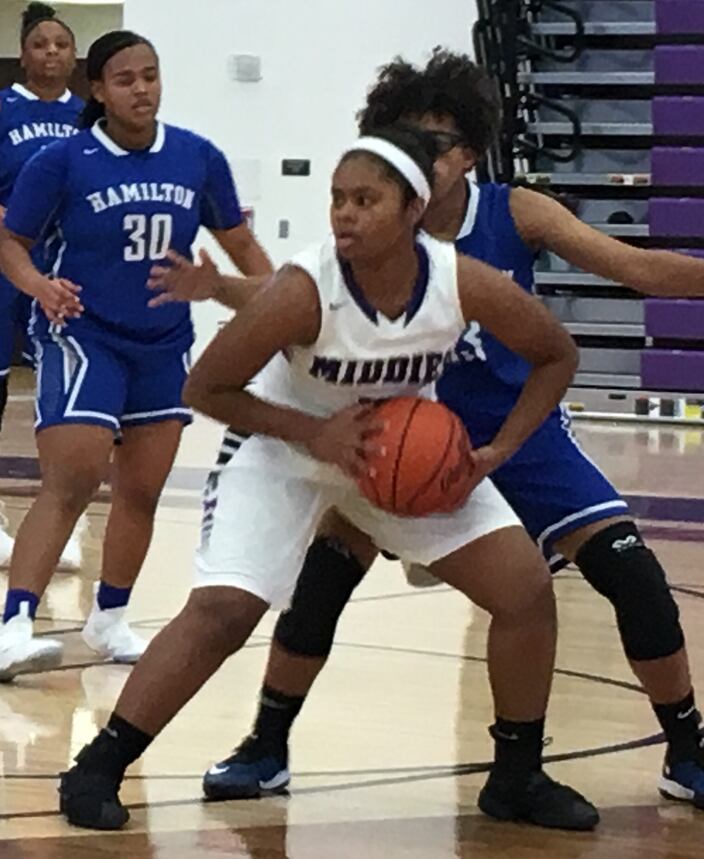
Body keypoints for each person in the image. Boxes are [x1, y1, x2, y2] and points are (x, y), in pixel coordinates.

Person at [185, 50, 704, 810]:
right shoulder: (368, 231)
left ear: (466, 154)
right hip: (399, 432)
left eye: (435, 145)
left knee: (633, 573)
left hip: (516, 432)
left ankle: (685, 746)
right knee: (323, 582)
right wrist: (220, 287)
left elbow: (635, 269)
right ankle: (265, 744)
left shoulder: (515, 212)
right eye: (406, 142)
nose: (418, 159)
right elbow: (292, 291)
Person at [58, 128, 601, 833]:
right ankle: (98, 764)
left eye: (365, 199)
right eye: (338, 198)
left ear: (412, 209)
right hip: (284, 446)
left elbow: (556, 353)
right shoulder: (302, 290)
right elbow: (206, 387)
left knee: (525, 589)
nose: (344, 213)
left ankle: (517, 774)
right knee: (225, 608)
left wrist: (497, 450)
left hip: (395, 457)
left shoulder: (459, 279)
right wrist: (316, 433)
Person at [0, 29, 272, 681]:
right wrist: (39, 287)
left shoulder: (197, 159)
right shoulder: (63, 160)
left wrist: (274, 306)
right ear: (99, 90)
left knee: (142, 489)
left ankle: (109, 616)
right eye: (126, 79)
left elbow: (247, 254)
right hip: (83, 334)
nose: (142, 89)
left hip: (162, 344)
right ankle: (12, 626)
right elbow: (8, 245)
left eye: (151, 75)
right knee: (74, 479)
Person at [0, 2, 86, 570]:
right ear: (24, 54)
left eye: (61, 44)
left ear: (75, 57)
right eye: (40, 44)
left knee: (60, 395)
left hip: (58, 259)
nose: (51, 52)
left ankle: (61, 516)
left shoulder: (88, 116)